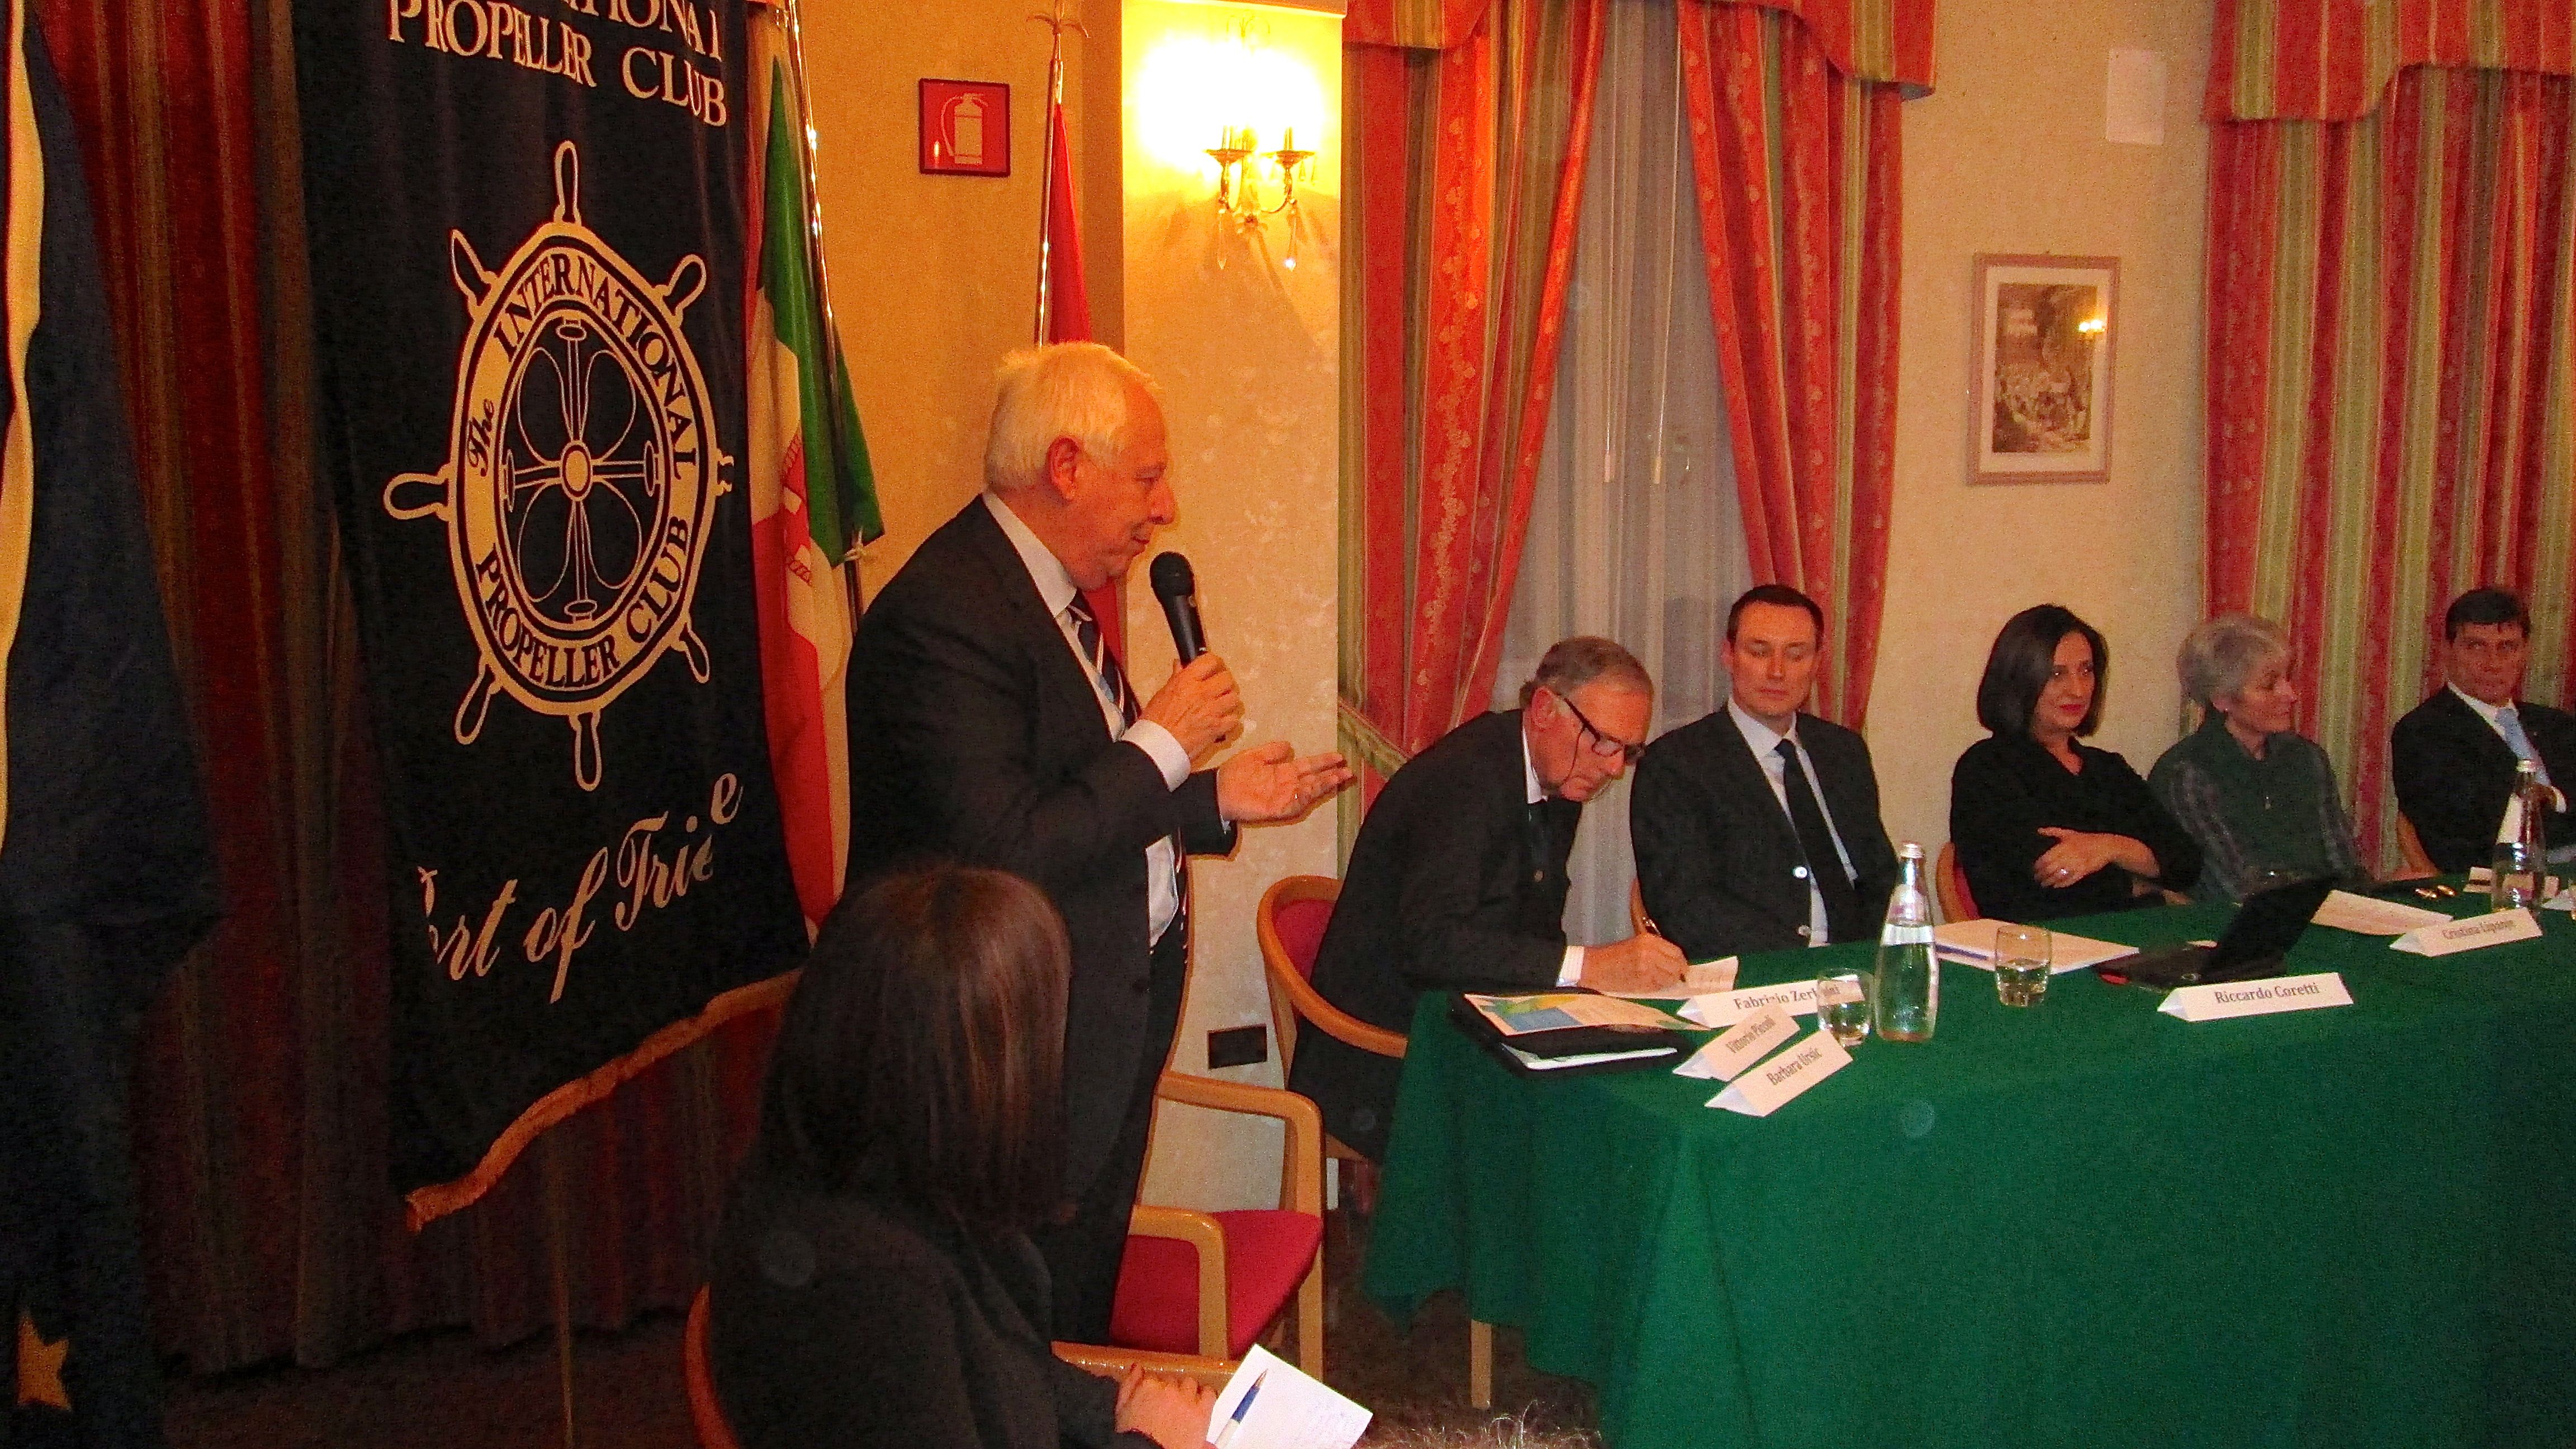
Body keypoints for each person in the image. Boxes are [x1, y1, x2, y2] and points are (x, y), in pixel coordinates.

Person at [842, 342, 1351, 1339]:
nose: (1165, 508)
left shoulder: (1046, 597)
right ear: (1067, 467)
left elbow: (1077, 803)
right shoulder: (945, 613)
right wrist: (1162, 740)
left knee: (1075, 1313)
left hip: (1096, 1032)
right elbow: (1005, 851)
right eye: (1149, 477)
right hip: (1006, 1060)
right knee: (1014, 1329)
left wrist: (1213, 798)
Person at [708, 866, 1216, 1449]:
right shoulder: (870, 1290)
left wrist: (1126, 1414)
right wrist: (1154, 1442)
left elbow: (1012, 1368)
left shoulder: (869, 1166)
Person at [1289, 638, 1686, 1160]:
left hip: (1469, 1018)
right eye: (1604, 742)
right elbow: (1432, 946)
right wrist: (1589, 966)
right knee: (1586, 1131)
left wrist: (1585, 993)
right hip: (1384, 1052)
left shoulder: (1558, 775)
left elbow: (1532, 927)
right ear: (1544, 709)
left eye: (1628, 751)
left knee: (1622, 1087)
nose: (1614, 768)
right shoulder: (1462, 783)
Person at [1630, 584, 1899, 959]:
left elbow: (1881, 876)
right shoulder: (1676, 763)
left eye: (1796, 654)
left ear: (1817, 663)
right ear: (1728, 655)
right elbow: (1685, 905)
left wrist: (1870, 954)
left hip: (1862, 961)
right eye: (1759, 652)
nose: (1777, 672)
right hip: (1760, 967)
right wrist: (1803, 960)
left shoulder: (1844, 750)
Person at [1949, 604, 2200, 921]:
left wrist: (2109, 847)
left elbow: (2185, 862)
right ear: (2020, 680)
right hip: (2039, 942)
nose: (2078, 690)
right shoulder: (1987, 768)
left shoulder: (2108, 769)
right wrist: (2144, 885)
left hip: (2132, 934)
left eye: (2087, 670)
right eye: (2057, 674)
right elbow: (2041, 888)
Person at [2148, 613, 2365, 901]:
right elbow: (2236, 886)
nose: (2291, 694)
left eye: (2287, 679)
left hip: (2324, 909)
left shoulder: (2307, 758)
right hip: (2236, 920)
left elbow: (2343, 861)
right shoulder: (2188, 774)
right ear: (2222, 699)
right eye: (2269, 685)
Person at [2390, 586, 2576, 872]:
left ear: (2525, 652)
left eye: (2507, 648)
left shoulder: (2557, 725)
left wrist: (2552, 798)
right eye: (2476, 647)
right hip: (2501, 881)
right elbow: (2483, 834)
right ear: (2448, 650)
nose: (2492, 664)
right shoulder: (2424, 733)